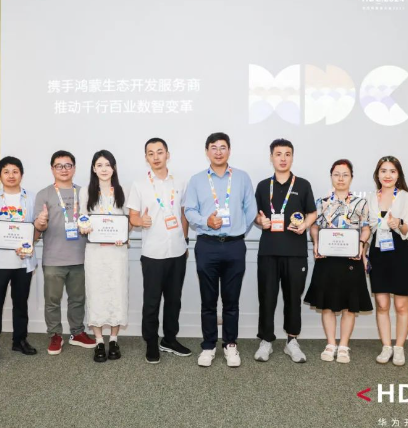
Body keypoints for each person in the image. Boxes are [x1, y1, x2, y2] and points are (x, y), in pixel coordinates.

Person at [184, 132, 257, 368]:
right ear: (207, 151)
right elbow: (189, 211)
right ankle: (208, 345)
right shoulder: (196, 180)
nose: (218, 152)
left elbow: (251, 210)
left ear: (229, 150)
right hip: (207, 245)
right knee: (208, 301)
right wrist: (206, 222)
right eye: (213, 147)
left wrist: (237, 229)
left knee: (231, 301)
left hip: (234, 246)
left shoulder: (242, 178)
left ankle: (230, 344)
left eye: (223, 147)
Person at [127, 138, 191, 364]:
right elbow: (132, 216)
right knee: (152, 301)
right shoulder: (139, 184)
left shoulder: (180, 182)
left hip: (177, 251)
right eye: (151, 153)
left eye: (159, 152)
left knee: (174, 300)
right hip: (153, 253)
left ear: (167, 155)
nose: (155, 157)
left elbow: (183, 214)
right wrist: (140, 220)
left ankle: (170, 339)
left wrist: (185, 241)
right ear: (146, 157)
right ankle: (151, 342)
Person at [253, 139, 316, 363]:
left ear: (292, 157)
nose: (283, 158)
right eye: (278, 154)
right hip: (268, 252)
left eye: (287, 154)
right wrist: (260, 221)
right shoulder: (263, 186)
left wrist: (305, 225)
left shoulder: (303, 185)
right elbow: (255, 215)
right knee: (267, 297)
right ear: (271, 157)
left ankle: (292, 341)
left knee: (293, 298)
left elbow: (312, 212)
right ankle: (266, 340)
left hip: (295, 251)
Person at [304, 159, 372, 364]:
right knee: (327, 305)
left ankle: (343, 345)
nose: (341, 178)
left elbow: (366, 228)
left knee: (349, 306)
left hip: (351, 259)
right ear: (331, 176)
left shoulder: (361, 202)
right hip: (327, 259)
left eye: (345, 174)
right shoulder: (321, 202)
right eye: (336, 174)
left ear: (351, 177)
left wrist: (361, 244)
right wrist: (316, 242)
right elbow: (314, 226)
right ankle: (330, 344)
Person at [0, 156, 40, 367]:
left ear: (21, 174)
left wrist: (32, 240)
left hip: (23, 262)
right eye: (6, 171)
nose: (11, 175)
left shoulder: (32, 198)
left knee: (21, 304)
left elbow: (37, 229)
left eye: (15, 171)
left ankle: (19, 340)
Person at [33, 150, 96, 355]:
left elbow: (94, 220)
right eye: (59, 166)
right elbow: (38, 228)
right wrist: (40, 222)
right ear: (52, 169)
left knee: (78, 299)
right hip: (53, 258)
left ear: (74, 168)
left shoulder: (84, 193)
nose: (64, 169)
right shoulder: (44, 194)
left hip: (81, 256)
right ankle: (55, 335)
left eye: (68, 165)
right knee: (52, 301)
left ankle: (77, 332)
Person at [79, 150, 130, 363]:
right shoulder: (85, 191)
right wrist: (84, 227)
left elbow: (127, 221)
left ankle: (114, 339)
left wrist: (123, 236)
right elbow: (82, 218)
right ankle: (99, 340)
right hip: (95, 252)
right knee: (96, 293)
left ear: (114, 168)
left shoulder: (122, 190)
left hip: (117, 252)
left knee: (117, 292)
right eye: (99, 165)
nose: (104, 169)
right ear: (93, 168)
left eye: (108, 165)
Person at [364, 156, 408, 366]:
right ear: (377, 174)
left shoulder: (406, 197)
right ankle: (386, 346)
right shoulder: (370, 198)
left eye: (392, 171)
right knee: (382, 304)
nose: (387, 175)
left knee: (401, 305)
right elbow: (367, 229)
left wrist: (399, 223)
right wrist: (363, 253)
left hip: (400, 253)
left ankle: (399, 347)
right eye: (383, 171)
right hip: (378, 252)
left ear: (398, 175)